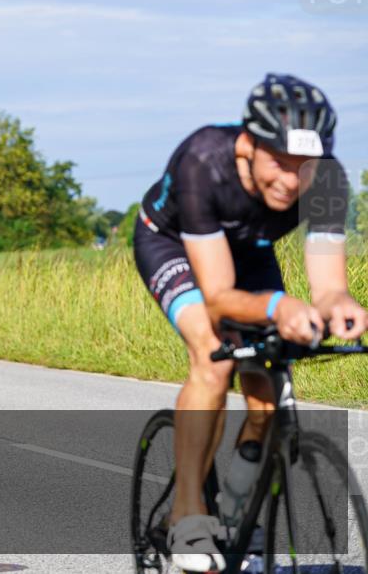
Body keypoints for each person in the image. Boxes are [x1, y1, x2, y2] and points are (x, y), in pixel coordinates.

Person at [133, 73, 366, 572]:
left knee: (267, 388)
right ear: (247, 145)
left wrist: (339, 305)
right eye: (280, 162)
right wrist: (278, 307)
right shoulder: (203, 162)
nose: (292, 180)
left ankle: (235, 511)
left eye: (305, 166)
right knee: (213, 356)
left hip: (249, 252)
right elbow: (219, 299)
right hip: (172, 245)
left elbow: (329, 287)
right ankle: (187, 516)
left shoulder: (327, 180)